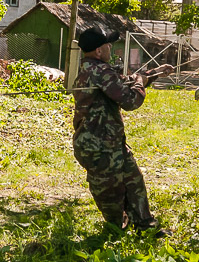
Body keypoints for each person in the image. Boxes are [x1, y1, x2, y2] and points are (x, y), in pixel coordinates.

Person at [70, 25, 173, 233]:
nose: (111, 46)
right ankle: (116, 232)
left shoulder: (93, 69)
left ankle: (145, 226)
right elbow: (130, 100)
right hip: (98, 147)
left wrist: (152, 74)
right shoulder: (100, 71)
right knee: (111, 197)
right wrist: (139, 84)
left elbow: (122, 83)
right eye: (108, 44)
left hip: (112, 144)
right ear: (99, 50)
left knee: (134, 181)